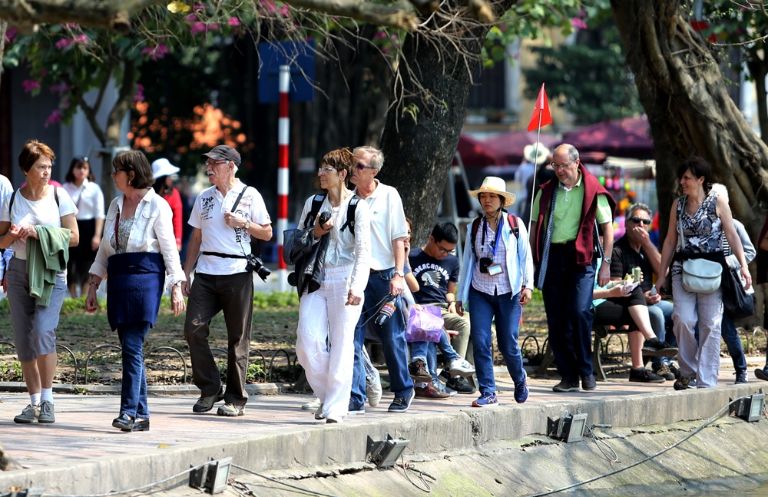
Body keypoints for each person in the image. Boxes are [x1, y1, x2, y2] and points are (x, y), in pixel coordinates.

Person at [85, 151, 186, 432]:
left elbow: (169, 249)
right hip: (118, 279)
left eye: (117, 171)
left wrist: (176, 287)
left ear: (130, 174)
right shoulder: (116, 205)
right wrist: (93, 285)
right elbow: (106, 250)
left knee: (132, 345)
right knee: (132, 348)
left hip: (146, 278)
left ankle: (128, 411)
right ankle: (142, 414)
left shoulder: (158, 205)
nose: (113, 175)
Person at [183, 145, 272, 417]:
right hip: (207, 272)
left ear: (231, 166)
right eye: (208, 163)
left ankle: (235, 399)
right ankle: (210, 387)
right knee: (193, 329)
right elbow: (195, 238)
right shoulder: (204, 198)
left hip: (237, 271)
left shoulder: (250, 195)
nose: (209, 168)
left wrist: (243, 224)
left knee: (238, 338)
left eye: (215, 163)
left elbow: (267, 233)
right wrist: (186, 272)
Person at [0, 139, 79, 424]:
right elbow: (1, 241)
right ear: (27, 169)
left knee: (44, 332)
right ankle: (32, 403)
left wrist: (38, 232)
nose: (46, 171)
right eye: (40, 166)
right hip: (18, 271)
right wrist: (14, 234)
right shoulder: (13, 199)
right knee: (23, 339)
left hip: (51, 273)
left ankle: (48, 400)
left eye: (48, 166)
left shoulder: (60, 197)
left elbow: (74, 237)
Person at [656, 157, 751, 390]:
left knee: (710, 323)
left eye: (687, 178)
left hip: (712, 272)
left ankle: (706, 380)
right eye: (682, 177)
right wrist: (661, 274)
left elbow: (732, 236)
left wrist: (744, 267)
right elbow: (670, 241)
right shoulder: (677, 205)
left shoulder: (718, 202)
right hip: (683, 269)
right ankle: (688, 372)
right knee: (683, 319)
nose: (682, 182)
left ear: (700, 179)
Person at [530, 144, 615, 393]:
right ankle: (568, 375)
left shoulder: (592, 190)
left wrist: (606, 265)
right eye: (555, 166)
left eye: (564, 165)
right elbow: (535, 226)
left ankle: (586, 371)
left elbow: (608, 228)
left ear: (576, 163)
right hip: (552, 256)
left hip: (582, 258)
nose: (559, 171)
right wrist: (532, 262)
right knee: (556, 318)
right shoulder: (546, 191)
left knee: (580, 312)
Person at [295, 148, 371, 424]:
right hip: (316, 277)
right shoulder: (314, 203)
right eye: (320, 168)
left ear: (342, 174)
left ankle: (337, 407)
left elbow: (364, 251)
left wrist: (357, 287)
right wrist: (316, 232)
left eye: (326, 169)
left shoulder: (357, 207)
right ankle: (329, 395)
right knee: (307, 342)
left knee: (341, 343)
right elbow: (300, 239)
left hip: (346, 277)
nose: (320, 174)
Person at [348, 145, 414, 414]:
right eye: (352, 164)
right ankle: (355, 395)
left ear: (373, 171)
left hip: (384, 276)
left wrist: (399, 274)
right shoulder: (347, 198)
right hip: (354, 277)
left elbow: (399, 237)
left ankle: (403, 390)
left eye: (360, 166)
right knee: (352, 338)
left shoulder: (389, 195)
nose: (353, 170)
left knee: (392, 336)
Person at [456, 177, 533, 406]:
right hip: (480, 290)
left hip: (508, 291)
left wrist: (527, 285)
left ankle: (520, 379)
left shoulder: (515, 224)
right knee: (480, 340)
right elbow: (468, 261)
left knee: (508, 342)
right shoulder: (474, 226)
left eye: (492, 196)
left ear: (501, 200)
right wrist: (461, 295)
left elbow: (525, 258)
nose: (487, 200)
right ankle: (488, 391)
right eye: (483, 196)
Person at [408, 222, 475, 399]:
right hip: (420, 309)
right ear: (431, 239)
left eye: (449, 251)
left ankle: (453, 374)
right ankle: (451, 366)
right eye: (442, 249)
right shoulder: (412, 256)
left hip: (443, 308)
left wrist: (452, 302)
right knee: (432, 323)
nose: (445, 254)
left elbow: (450, 291)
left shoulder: (452, 261)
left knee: (470, 322)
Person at [610, 203, 676, 380]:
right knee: (657, 314)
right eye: (636, 220)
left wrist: (647, 244)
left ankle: (667, 361)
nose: (641, 225)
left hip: (650, 299)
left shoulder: (647, 249)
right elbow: (614, 284)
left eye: (645, 222)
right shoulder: (618, 250)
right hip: (629, 303)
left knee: (679, 313)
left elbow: (665, 271)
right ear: (626, 223)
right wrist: (642, 298)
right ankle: (659, 363)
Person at [592, 267, 678, 383]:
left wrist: (624, 283)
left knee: (636, 297)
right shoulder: (582, 259)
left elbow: (601, 285)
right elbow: (580, 294)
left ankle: (643, 362)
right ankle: (651, 343)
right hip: (588, 306)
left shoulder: (598, 255)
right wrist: (610, 292)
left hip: (601, 299)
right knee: (641, 313)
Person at [710, 184, 754, 384]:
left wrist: (729, 262)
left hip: (729, 284)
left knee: (727, 329)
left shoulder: (735, 225)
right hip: (708, 283)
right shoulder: (705, 225)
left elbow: (750, 251)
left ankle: (741, 369)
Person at [63, 156, 105, 297]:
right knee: (71, 264)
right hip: (71, 227)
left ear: (88, 170)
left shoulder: (94, 188)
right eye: (78, 167)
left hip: (89, 228)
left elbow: (100, 214)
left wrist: (97, 236)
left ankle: (85, 297)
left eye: (85, 168)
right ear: (72, 169)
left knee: (88, 264)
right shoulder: (65, 188)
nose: (81, 171)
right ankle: (74, 297)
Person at [151, 158, 183, 251]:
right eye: (168, 176)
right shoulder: (149, 194)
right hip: (151, 242)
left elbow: (177, 218)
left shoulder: (174, 194)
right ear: (162, 178)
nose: (171, 179)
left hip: (169, 241)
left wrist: (178, 241)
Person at [515, 143, 550, 219]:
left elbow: (517, 179)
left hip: (528, 199)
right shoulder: (546, 171)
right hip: (530, 201)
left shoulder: (523, 167)